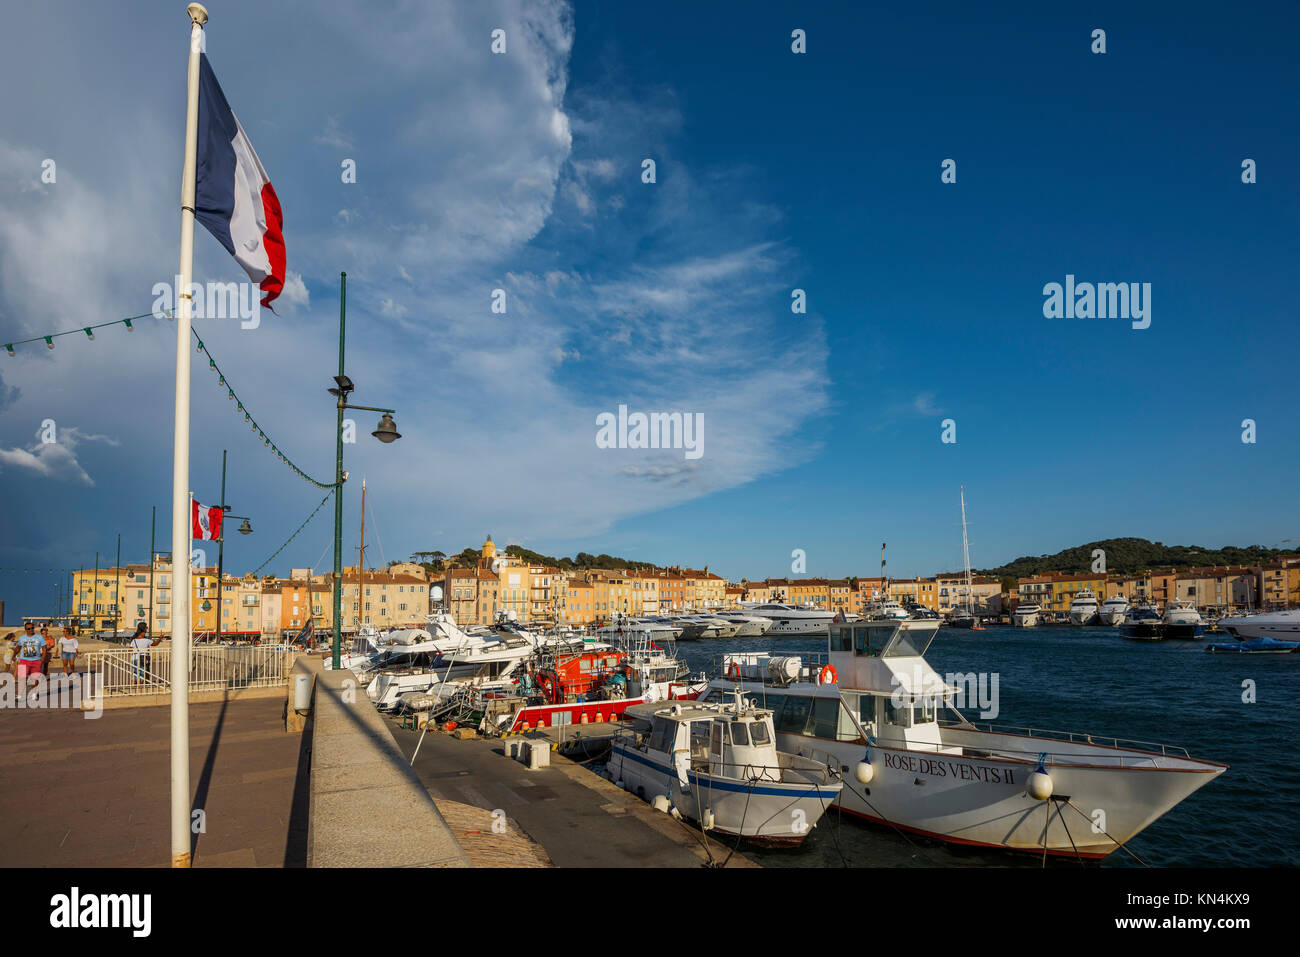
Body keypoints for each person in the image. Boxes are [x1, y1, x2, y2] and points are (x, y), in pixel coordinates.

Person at [129, 623, 161, 687]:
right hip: (142, 658)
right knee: (141, 673)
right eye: (146, 627)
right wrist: (160, 638)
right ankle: (140, 686)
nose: (147, 628)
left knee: (135, 672)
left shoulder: (134, 640)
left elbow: (130, 650)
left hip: (134, 658)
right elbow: (155, 644)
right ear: (143, 630)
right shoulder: (147, 641)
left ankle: (133, 685)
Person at [14, 622, 44, 688]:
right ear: (25, 629)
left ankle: (34, 693)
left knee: (35, 679)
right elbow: (18, 648)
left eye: (32, 628)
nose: (31, 630)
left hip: (36, 661)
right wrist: (13, 655)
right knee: (22, 678)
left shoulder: (40, 637)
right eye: (28, 629)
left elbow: (44, 648)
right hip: (23, 661)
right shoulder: (21, 638)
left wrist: (42, 658)